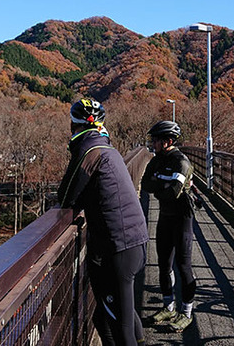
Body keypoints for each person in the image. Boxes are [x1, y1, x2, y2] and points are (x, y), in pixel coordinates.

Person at [57, 98, 149, 346]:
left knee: (120, 327)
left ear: (73, 125)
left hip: (117, 248)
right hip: (135, 242)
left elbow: (66, 196)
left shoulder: (89, 151)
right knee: (111, 316)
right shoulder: (107, 148)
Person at [141, 120, 197, 332]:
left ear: (167, 141)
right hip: (165, 216)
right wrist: (162, 184)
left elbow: (171, 192)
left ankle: (186, 313)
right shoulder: (156, 160)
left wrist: (160, 183)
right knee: (163, 265)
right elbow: (146, 184)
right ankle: (169, 307)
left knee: (183, 266)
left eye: (156, 140)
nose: (153, 143)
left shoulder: (181, 162)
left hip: (182, 218)